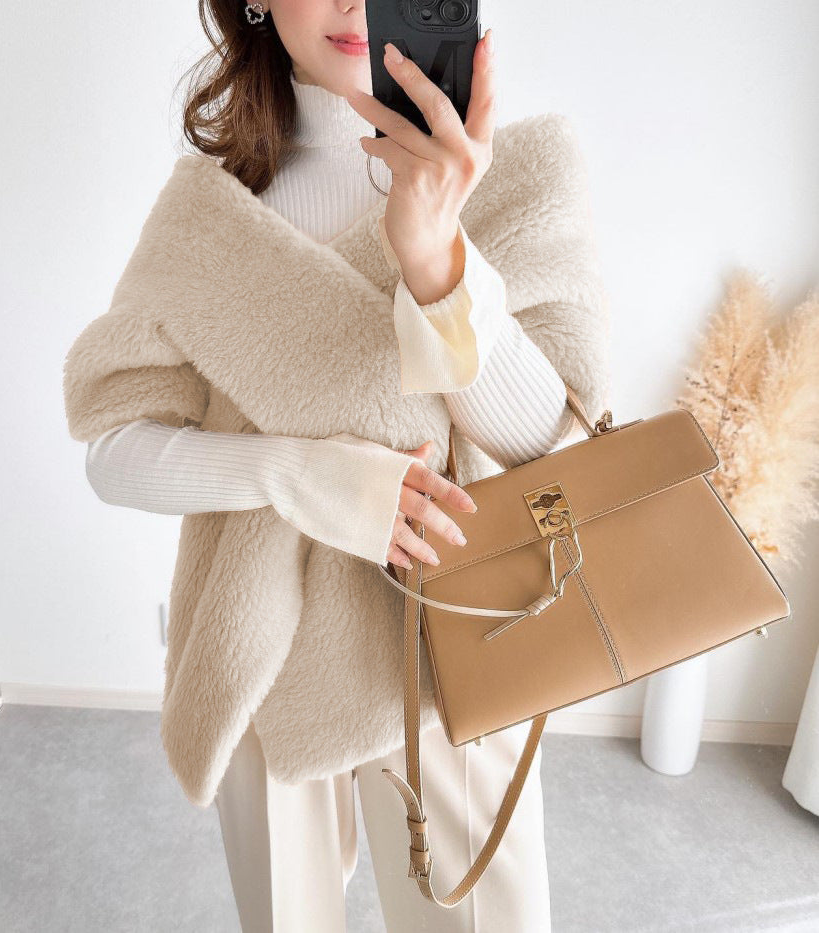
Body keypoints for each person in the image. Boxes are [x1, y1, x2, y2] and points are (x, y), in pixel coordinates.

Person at [65, 1, 611, 929]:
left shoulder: (515, 178)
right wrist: (297, 476)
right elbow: (113, 448)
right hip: (260, 652)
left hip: (457, 644)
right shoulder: (208, 215)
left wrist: (435, 258)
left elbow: (543, 444)